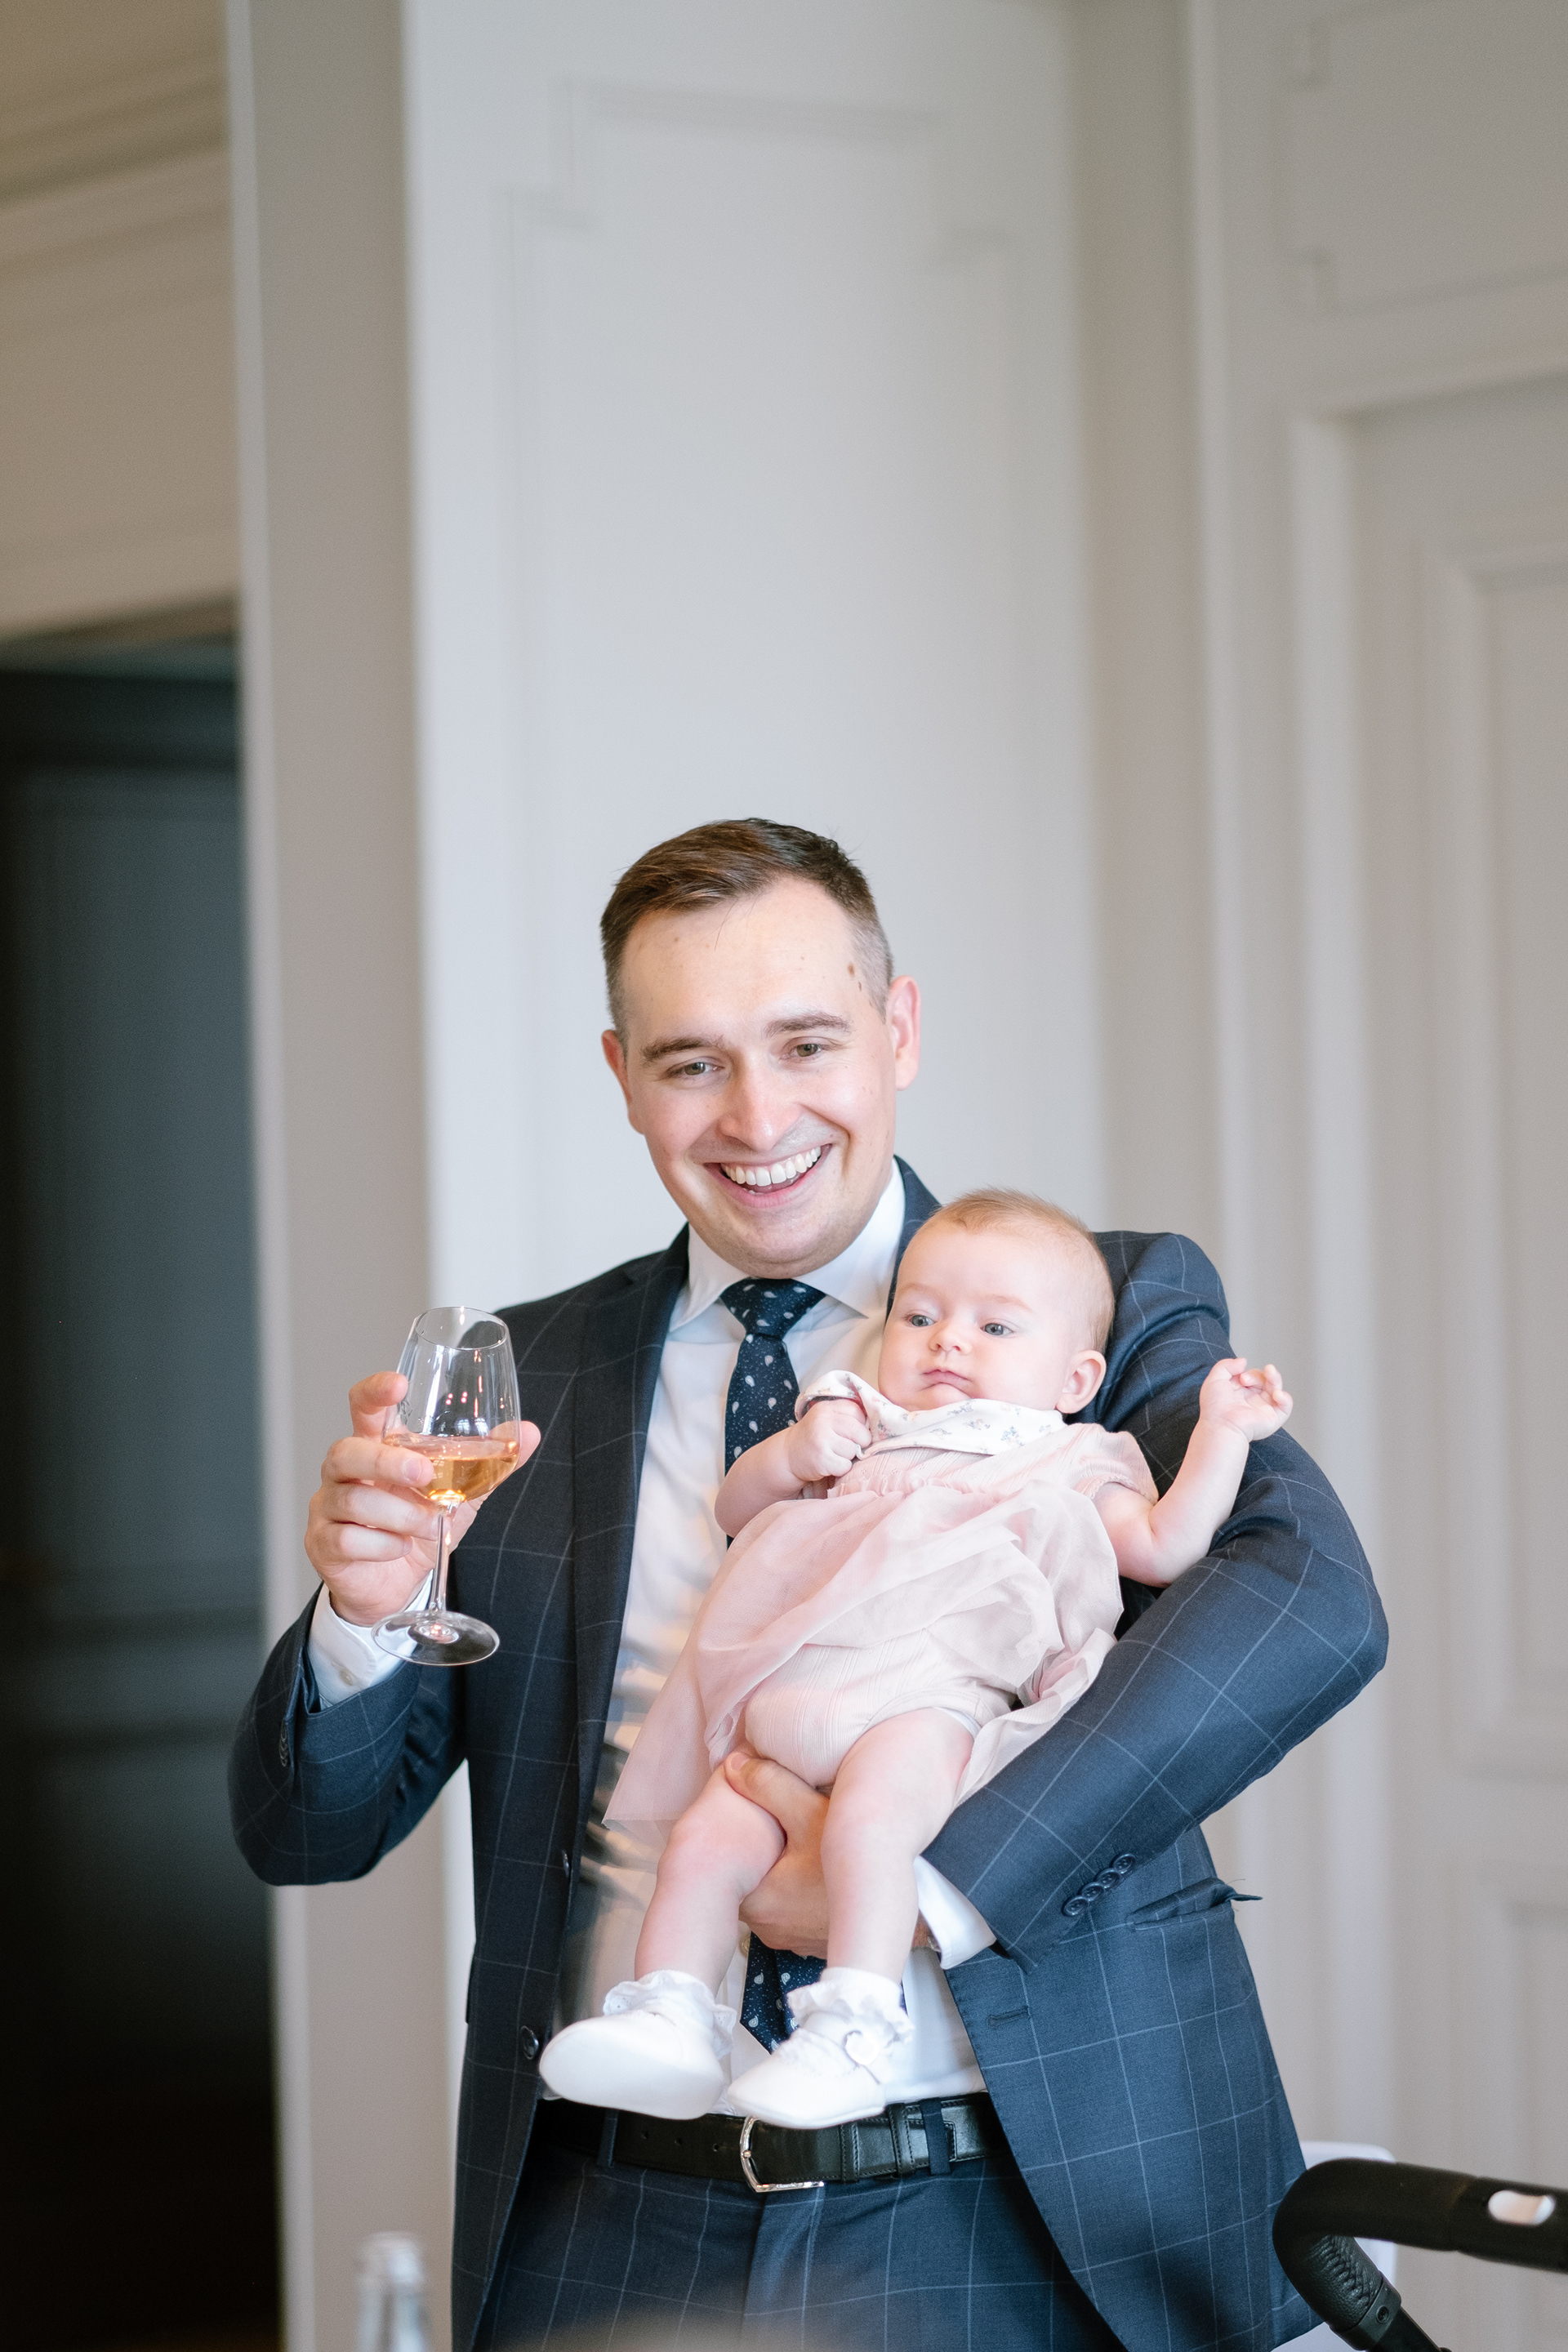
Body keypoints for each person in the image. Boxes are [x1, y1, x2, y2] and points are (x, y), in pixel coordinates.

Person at [230, 818, 1385, 2352]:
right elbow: (307, 1836)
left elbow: (1309, 1599)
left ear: (898, 1030)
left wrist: (920, 1886)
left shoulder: (1076, 1310)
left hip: (1014, 2210)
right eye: (691, 1061)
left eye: (807, 1043)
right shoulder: (532, 1375)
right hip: (606, 2218)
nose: (758, 1116)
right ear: (622, 1076)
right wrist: (366, 1616)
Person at [539, 1191, 1292, 2131]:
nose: (948, 1342)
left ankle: (851, 2025)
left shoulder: (1067, 1458)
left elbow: (1166, 1547)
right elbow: (737, 1512)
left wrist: (1223, 1434)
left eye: (994, 1327)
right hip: (788, 1698)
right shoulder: (862, 1423)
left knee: (871, 1827)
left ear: (1075, 1377)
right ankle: (670, 2015)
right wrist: (792, 1456)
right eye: (920, 1316)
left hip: (926, 1701)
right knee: (702, 1844)